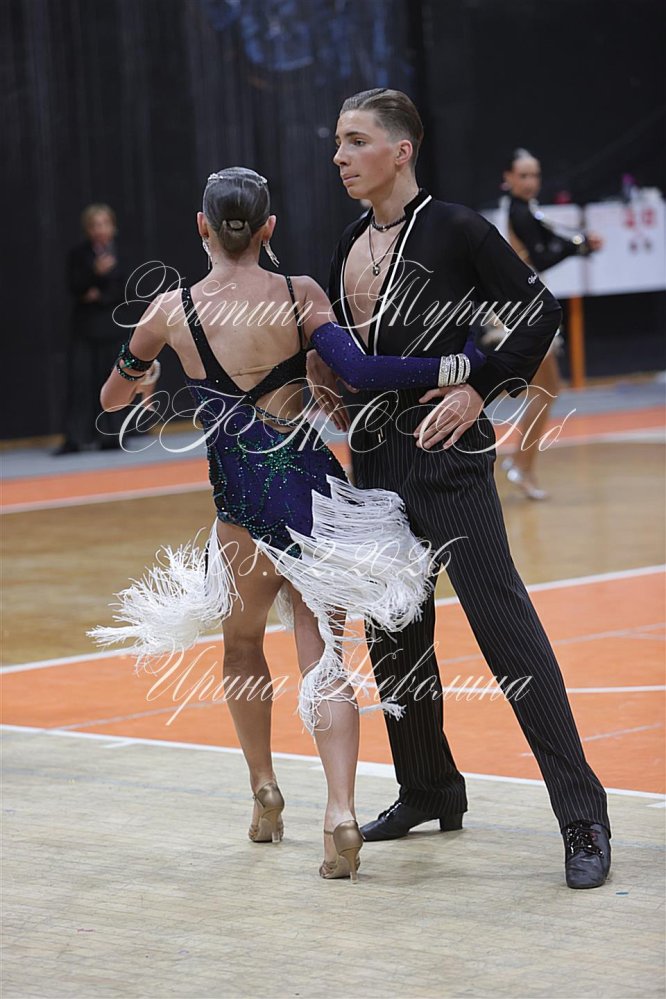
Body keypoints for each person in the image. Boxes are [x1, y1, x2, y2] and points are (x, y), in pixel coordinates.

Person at [90, 167, 487, 883]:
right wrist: (465, 362)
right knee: (323, 657)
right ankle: (341, 813)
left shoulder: (170, 310)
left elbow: (113, 396)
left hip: (240, 508)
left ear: (202, 226)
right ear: (268, 228)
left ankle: (264, 790)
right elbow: (361, 372)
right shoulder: (299, 293)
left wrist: (141, 372)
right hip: (313, 501)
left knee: (242, 647)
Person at [307, 89, 611, 889]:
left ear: (400, 150)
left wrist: (483, 386)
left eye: (356, 140)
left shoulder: (456, 227)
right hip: (374, 461)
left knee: (505, 631)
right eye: (338, 141)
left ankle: (582, 814)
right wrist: (327, 383)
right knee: (395, 634)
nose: (340, 156)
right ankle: (429, 788)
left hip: (448, 459)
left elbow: (536, 309)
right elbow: (350, 349)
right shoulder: (348, 241)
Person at [497, 148, 604, 499]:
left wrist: (581, 244)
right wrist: (579, 246)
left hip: (527, 306)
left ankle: (521, 463)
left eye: (535, 175)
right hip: (523, 311)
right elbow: (542, 256)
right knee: (544, 390)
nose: (530, 182)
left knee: (546, 390)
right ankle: (520, 465)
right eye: (523, 175)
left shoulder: (524, 210)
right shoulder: (518, 212)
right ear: (508, 178)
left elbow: (551, 241)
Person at [55, 204, 130, 454]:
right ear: (88, 229)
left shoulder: (123, 252)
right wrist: (95, 273)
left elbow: (125, 288)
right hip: (85, 329)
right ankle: (75, 438)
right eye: (95, 225)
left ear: (113, 226)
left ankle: (112, 435)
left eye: (104, 224)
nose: (100, 229)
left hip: (112, 326)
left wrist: (99, 294)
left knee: (112, 382)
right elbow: (75, 286)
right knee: (81, 383)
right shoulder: (78, 255)